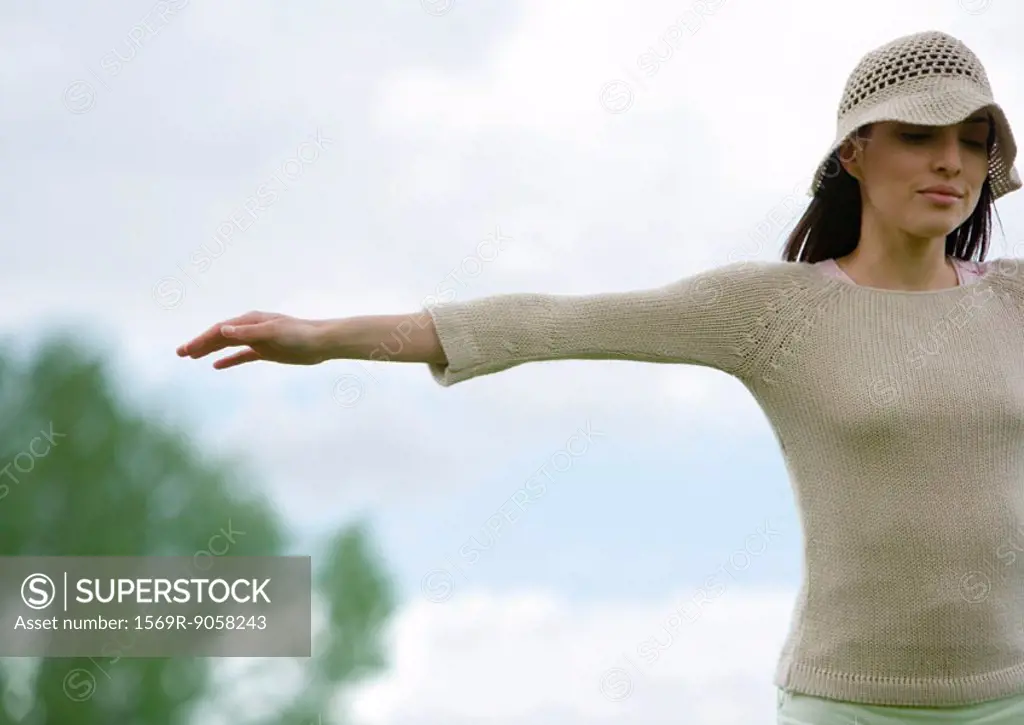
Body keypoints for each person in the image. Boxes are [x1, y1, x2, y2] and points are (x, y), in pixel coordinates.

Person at [178, 30, 1024, 724]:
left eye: (970, 139)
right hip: (846, 705)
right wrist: (325, 336)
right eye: (920, 136)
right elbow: (556, 320)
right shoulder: (775, 311)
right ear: (855, 151)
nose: (950, 161)